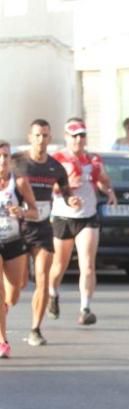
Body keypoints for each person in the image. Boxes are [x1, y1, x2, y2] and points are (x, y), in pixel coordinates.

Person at [12, 119, 79, 346]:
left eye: (45, 136)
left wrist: (72, 200)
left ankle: (35, 329)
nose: (41, 140)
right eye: (37, 135)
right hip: (17, 229)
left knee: (42, 279)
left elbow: (66, 191)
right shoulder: (17, 163)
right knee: (17, 286)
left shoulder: (55, 167)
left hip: (42, 228)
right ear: (30, 137)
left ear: (50, 139)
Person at [49, 118, 117, 326]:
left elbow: (101, 179)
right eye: (74, 135)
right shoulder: (57, 159)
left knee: (87, 265)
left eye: (82, 135)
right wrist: (66, 186)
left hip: (87, 216)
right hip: (63, 217)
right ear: (67, 137)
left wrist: (109, 191)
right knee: (60, 265)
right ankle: (53, 293)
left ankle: (85, 308)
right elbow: (49, 187)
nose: (79, 139)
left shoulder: (93, 159)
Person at [0, 140, 39, 358]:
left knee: (14, 292)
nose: (2, 161)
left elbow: (35, 212)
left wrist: (22, 212)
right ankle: (2, 340)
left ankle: (3, 310)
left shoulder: (20, 183)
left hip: (15, 241)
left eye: (5, 156)